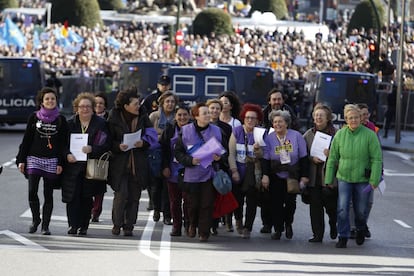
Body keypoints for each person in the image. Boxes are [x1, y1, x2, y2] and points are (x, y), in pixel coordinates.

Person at [325, 104, 382, 248]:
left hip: (363, 180)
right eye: (350, 118)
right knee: (342, 208)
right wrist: (329, 179)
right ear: (346, 120)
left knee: (361, 210)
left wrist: (374, 180)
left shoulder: (370, 135)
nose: (353, 120)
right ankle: (342, 236)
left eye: (356, 117)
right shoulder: (339, 135)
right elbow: (332, 158)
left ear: (361, 118)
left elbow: (377, 159)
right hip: (344, 178)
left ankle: (361, 228)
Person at [16, 87, 68, 235]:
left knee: (48, 194)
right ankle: (35, 219)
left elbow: (64, 144)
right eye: (47, 99)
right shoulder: (34, 117)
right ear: (42, 102)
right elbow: (26, 140)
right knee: (32, 191)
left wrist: (60, 163)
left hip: (52, 160)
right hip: (34, 159)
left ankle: (45, 225)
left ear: (56, 101)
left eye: (53, 98)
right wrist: (21, 160)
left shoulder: (61, 120)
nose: (50, 101)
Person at [107, 88, 158, 236]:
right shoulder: (114, 116)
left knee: (135, 196)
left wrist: (143, 143)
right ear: (126, 106)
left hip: (138, 163)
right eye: (135, 103)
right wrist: (118, 146)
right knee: (121, 195)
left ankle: (129, 225)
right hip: (120, 163)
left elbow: (152, 137)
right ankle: (117, 223)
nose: (138, 106)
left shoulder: (143, 116)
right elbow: (108, 140)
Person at [174, 103, 226, 242]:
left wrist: (219, 157)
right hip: (191, 175)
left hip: (209, 173)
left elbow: (224, 151)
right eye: (205, 113)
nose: (208, 115)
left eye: (208, 113)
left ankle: (204, 232)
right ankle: (192, 224)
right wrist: (190, 160)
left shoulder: (217, 131)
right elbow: (178, 152)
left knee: (207, 204)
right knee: (193, 205)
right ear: (196, 116)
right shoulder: (185, 131)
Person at [61, 92, 111, 236]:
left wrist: (92, 149)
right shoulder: (69, 123)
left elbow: (106, 144)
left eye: (88, 106)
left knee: (87, 197)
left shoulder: (101, 124)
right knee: (72, 197)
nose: (85, 109)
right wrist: (67, 155)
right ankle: (72, 225)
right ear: (76, 108)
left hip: (91, 166)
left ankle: (83, 226)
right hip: (73, 166)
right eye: (82, 106)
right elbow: (62, 145)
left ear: (93, 108)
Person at [261, 110, 309, 240]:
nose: (277, 124)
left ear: (286, 123)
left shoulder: (296, 136)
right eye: (275, 122)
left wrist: (305, 176)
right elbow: (265, 158)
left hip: (292, 174)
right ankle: (278, 229)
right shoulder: (269, 138)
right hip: (275, 175)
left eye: (280, 121)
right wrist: (265, 175)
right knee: (275, 203)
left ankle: (288, 224)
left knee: (290, 203)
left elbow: (304, 157)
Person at [228, 103, 264, 239]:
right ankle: (238, 220)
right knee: (237, 199)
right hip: (239, 168)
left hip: (253, 171)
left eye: (253, 118)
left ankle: (248, 227)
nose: (250, 120)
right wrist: (234, 170)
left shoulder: (261, 133)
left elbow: (263, 155)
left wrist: (257, 150)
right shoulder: (236, 131)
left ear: (257, 120)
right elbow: (231, 153)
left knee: (252, 200)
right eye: (247, 117)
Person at [303, 104, 338, 242]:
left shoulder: (337, 134)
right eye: (316, 115)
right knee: (315, 208)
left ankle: (333, 224)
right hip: (314, 177)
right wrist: (311, 158)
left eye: (321, 115)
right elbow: (302, 154)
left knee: (331, 208)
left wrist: (331, 155)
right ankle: (317, 234)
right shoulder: (308, 134)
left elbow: (343, 155)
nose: (318, 117)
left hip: (330, 179)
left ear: (328, 118)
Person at [159, 104, 191, 236]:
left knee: (188, 200)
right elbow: (163, 149)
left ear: (189, 116)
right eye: (179, 115)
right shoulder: (170, 129)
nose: (182, 117)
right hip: (173, 170)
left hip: (189, 170)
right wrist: (164, 166)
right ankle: (176, 226)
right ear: (175, 117)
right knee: (174, 201)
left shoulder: (194, 129)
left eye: (185, 115)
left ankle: (189, 224)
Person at [141, 75, 171, 211]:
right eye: (162, 84)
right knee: (152, 175)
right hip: (154, 143)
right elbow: (144, 116)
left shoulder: (174, 99)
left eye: (166, 84)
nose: (164, 86)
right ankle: (153, 200)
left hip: (169, 144)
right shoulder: (150, 99)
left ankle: (164, 203)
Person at [149, 91, 179, 225]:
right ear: (162, 103)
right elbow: (148, 133)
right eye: (167, 101)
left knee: (168, 187)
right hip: (155, 154)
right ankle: (156, 208)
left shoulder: (177, 117)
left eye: (172, 102)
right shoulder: (154, 116)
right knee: (155, 186)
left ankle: (167, 215)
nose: (170, 104)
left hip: (170, 153)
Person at [206, 98, 232, 234]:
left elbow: (228, 148)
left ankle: (214, 225)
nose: (214, 111)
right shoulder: (199, 124)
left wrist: (221, 156)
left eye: (217, 108)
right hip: (202, 166)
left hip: (218, 166)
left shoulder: (226, 128)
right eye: (212, 108)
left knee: (216, 197)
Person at [90, 92, 109, 223]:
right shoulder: (85, 117)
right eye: (96, 103)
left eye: (101, 103)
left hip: (101, 157)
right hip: (86, 155)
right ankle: (89, 208)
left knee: (99, 186)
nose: (98, 105)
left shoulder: (109, 120)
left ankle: (96, 211)